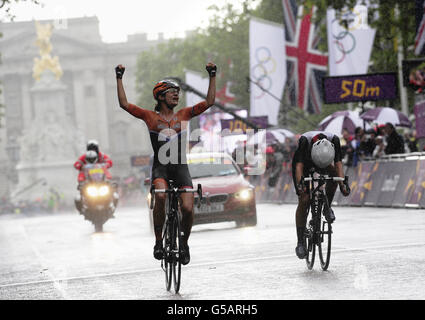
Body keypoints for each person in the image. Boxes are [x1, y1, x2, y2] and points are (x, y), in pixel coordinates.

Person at [115, 62, 216, 265]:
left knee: (187, 208)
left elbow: (210, 101)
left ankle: (184, 244)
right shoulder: (150, 117)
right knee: (160, 196)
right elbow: (124, 104)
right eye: (172, 92)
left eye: (178, 93)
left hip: (180, 168)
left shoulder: (185, 114)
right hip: (160, 167)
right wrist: (119, 78)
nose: (176, 95)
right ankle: (159, 241)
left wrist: (212, 75)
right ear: (160, 96)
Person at [292, 131, 350, 259]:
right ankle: (300, 242)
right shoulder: (304, 141)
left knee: (335, 177)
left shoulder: (334, 140)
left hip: (326, 162)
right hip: (304, 165)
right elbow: (299, 166)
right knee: (304, 199)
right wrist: (301, 185)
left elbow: (339, 164)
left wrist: (342, 185)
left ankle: (326, 207)